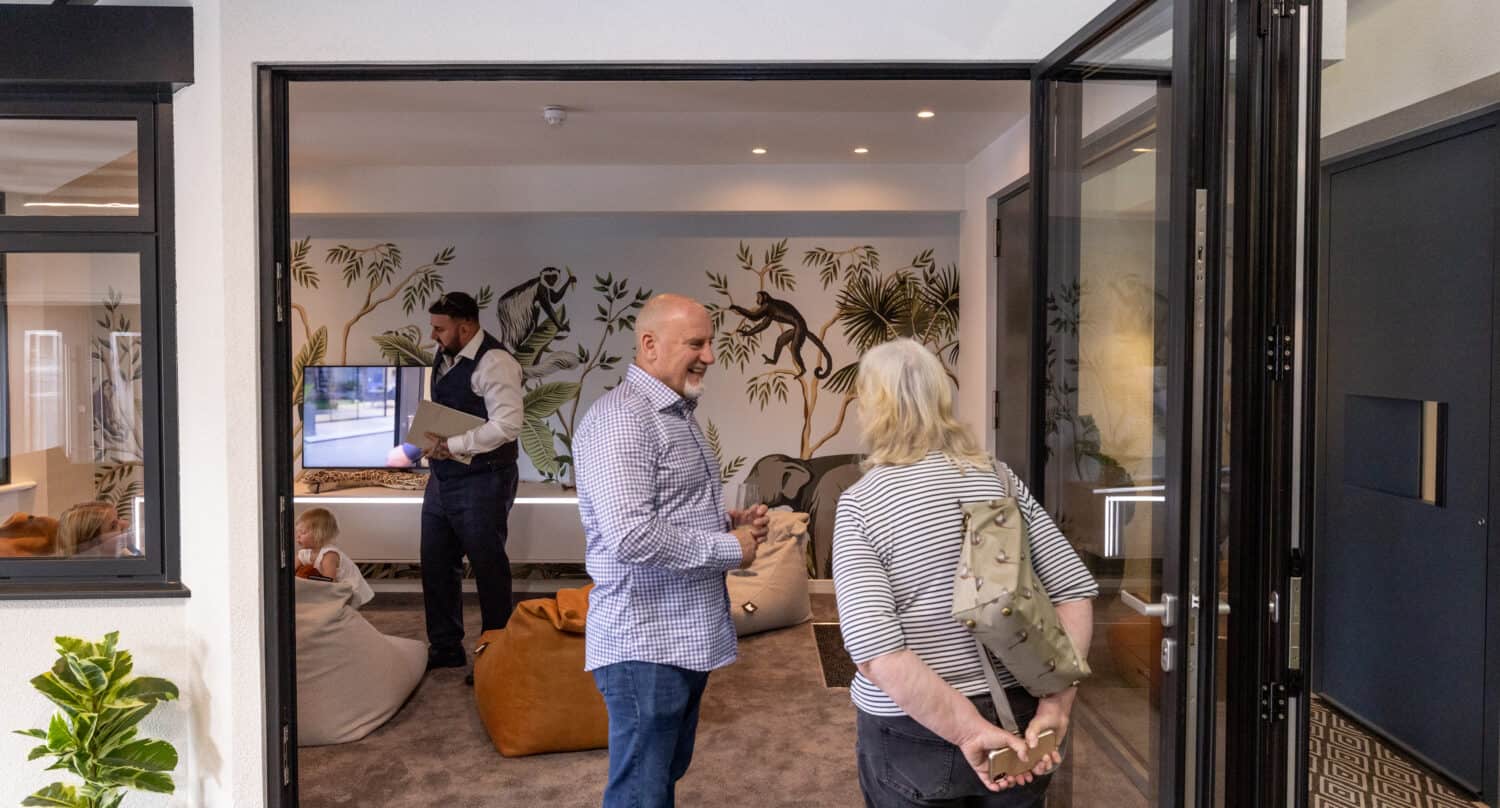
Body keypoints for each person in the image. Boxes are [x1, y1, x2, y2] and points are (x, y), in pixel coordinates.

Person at [831, 338, 1098, 807]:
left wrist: (970, 732)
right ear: (942, 399)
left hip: (916, 731)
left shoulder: (861, 505)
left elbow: (876, 652)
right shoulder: (997, 477)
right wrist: (1057, 705)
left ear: (870, 408)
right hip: (1022, 715)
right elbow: (1073, 590)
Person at [573, 293, 769, 808]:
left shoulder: (675, 413)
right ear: (650, 345)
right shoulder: (623, 420)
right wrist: (731, 548)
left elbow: (664, 509)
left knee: (662, 774)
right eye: (697, 344)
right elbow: (631, 535)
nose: (709, 356)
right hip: (646, 640)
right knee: (642, 790)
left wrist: (728, 520)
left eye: (711, 343)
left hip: (681, 635)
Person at [420, 291, 525, 673]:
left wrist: (455, 443)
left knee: (487, 566)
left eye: (439, 328)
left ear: (465, 327)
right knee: (435, 562)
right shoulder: (446, 354)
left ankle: (495, 653)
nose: (433, 335)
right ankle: (446, 647)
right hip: (443, 477)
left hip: (485, 479)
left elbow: (509, 425)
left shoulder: (495, 363)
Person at [294, 507, 374, 606]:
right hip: (334, 586)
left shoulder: (329, 555)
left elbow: (329, 583)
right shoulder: (304, 553)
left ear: (319, 534)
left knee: (334, 607)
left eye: (303, 533)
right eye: (297, 532)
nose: (298, 536)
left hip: (350, 589)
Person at [57, 501, 141, 558]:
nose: (126, 523)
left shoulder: (128, 554)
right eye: (113, 526)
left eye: (119, 518)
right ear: (90, 546)